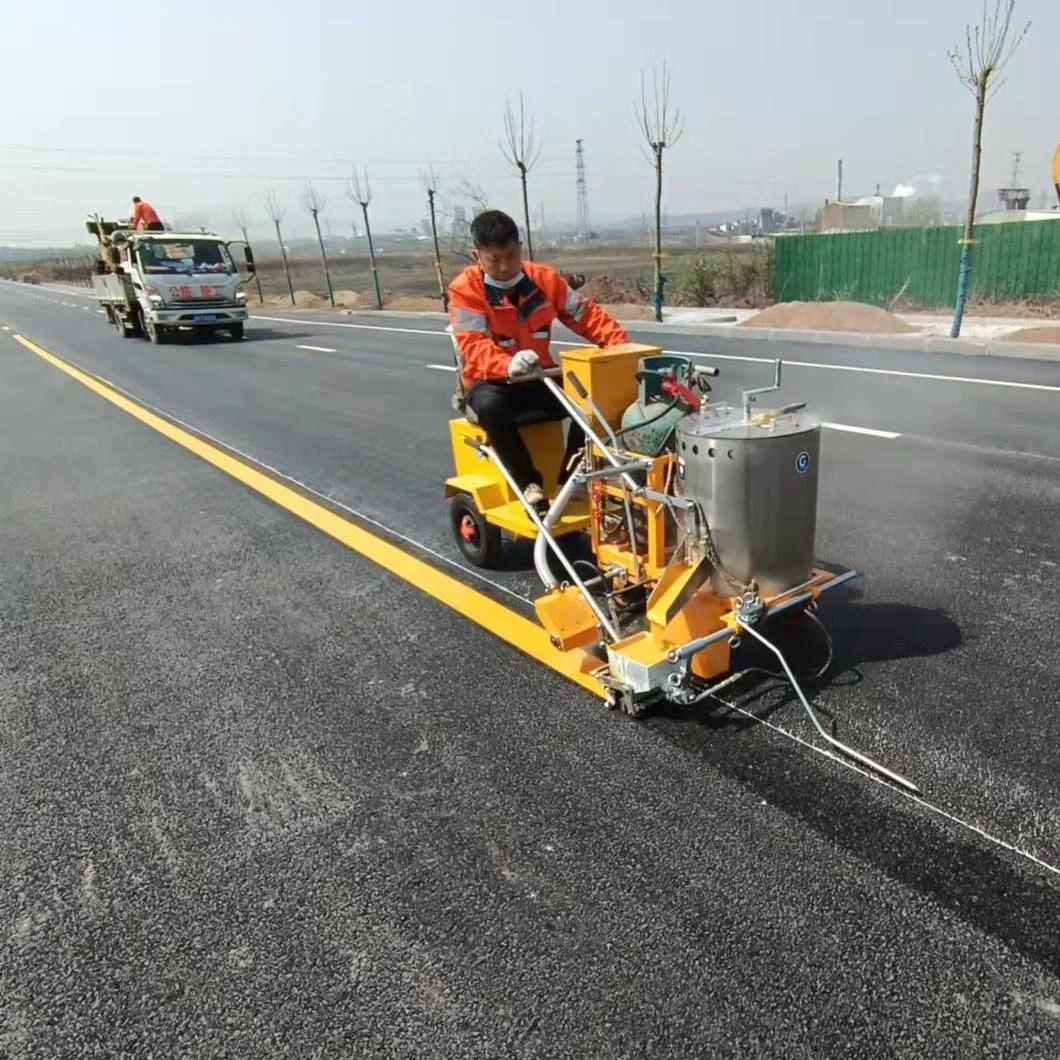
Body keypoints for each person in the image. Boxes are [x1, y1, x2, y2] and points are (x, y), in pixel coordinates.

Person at [447, 210, 628, 513]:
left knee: (594, 399)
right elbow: (473, 345)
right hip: (489, 382)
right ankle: (528, 483)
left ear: (520, 246)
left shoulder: (544, 280)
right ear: (477, 254)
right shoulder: (465, 290)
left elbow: (586, 315)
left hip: (538, 377)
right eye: (494, 259)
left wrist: (621, 347)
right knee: (492, 408)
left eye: (511, 255)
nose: (505, 267)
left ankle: (572, 476)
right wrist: (506, 364)